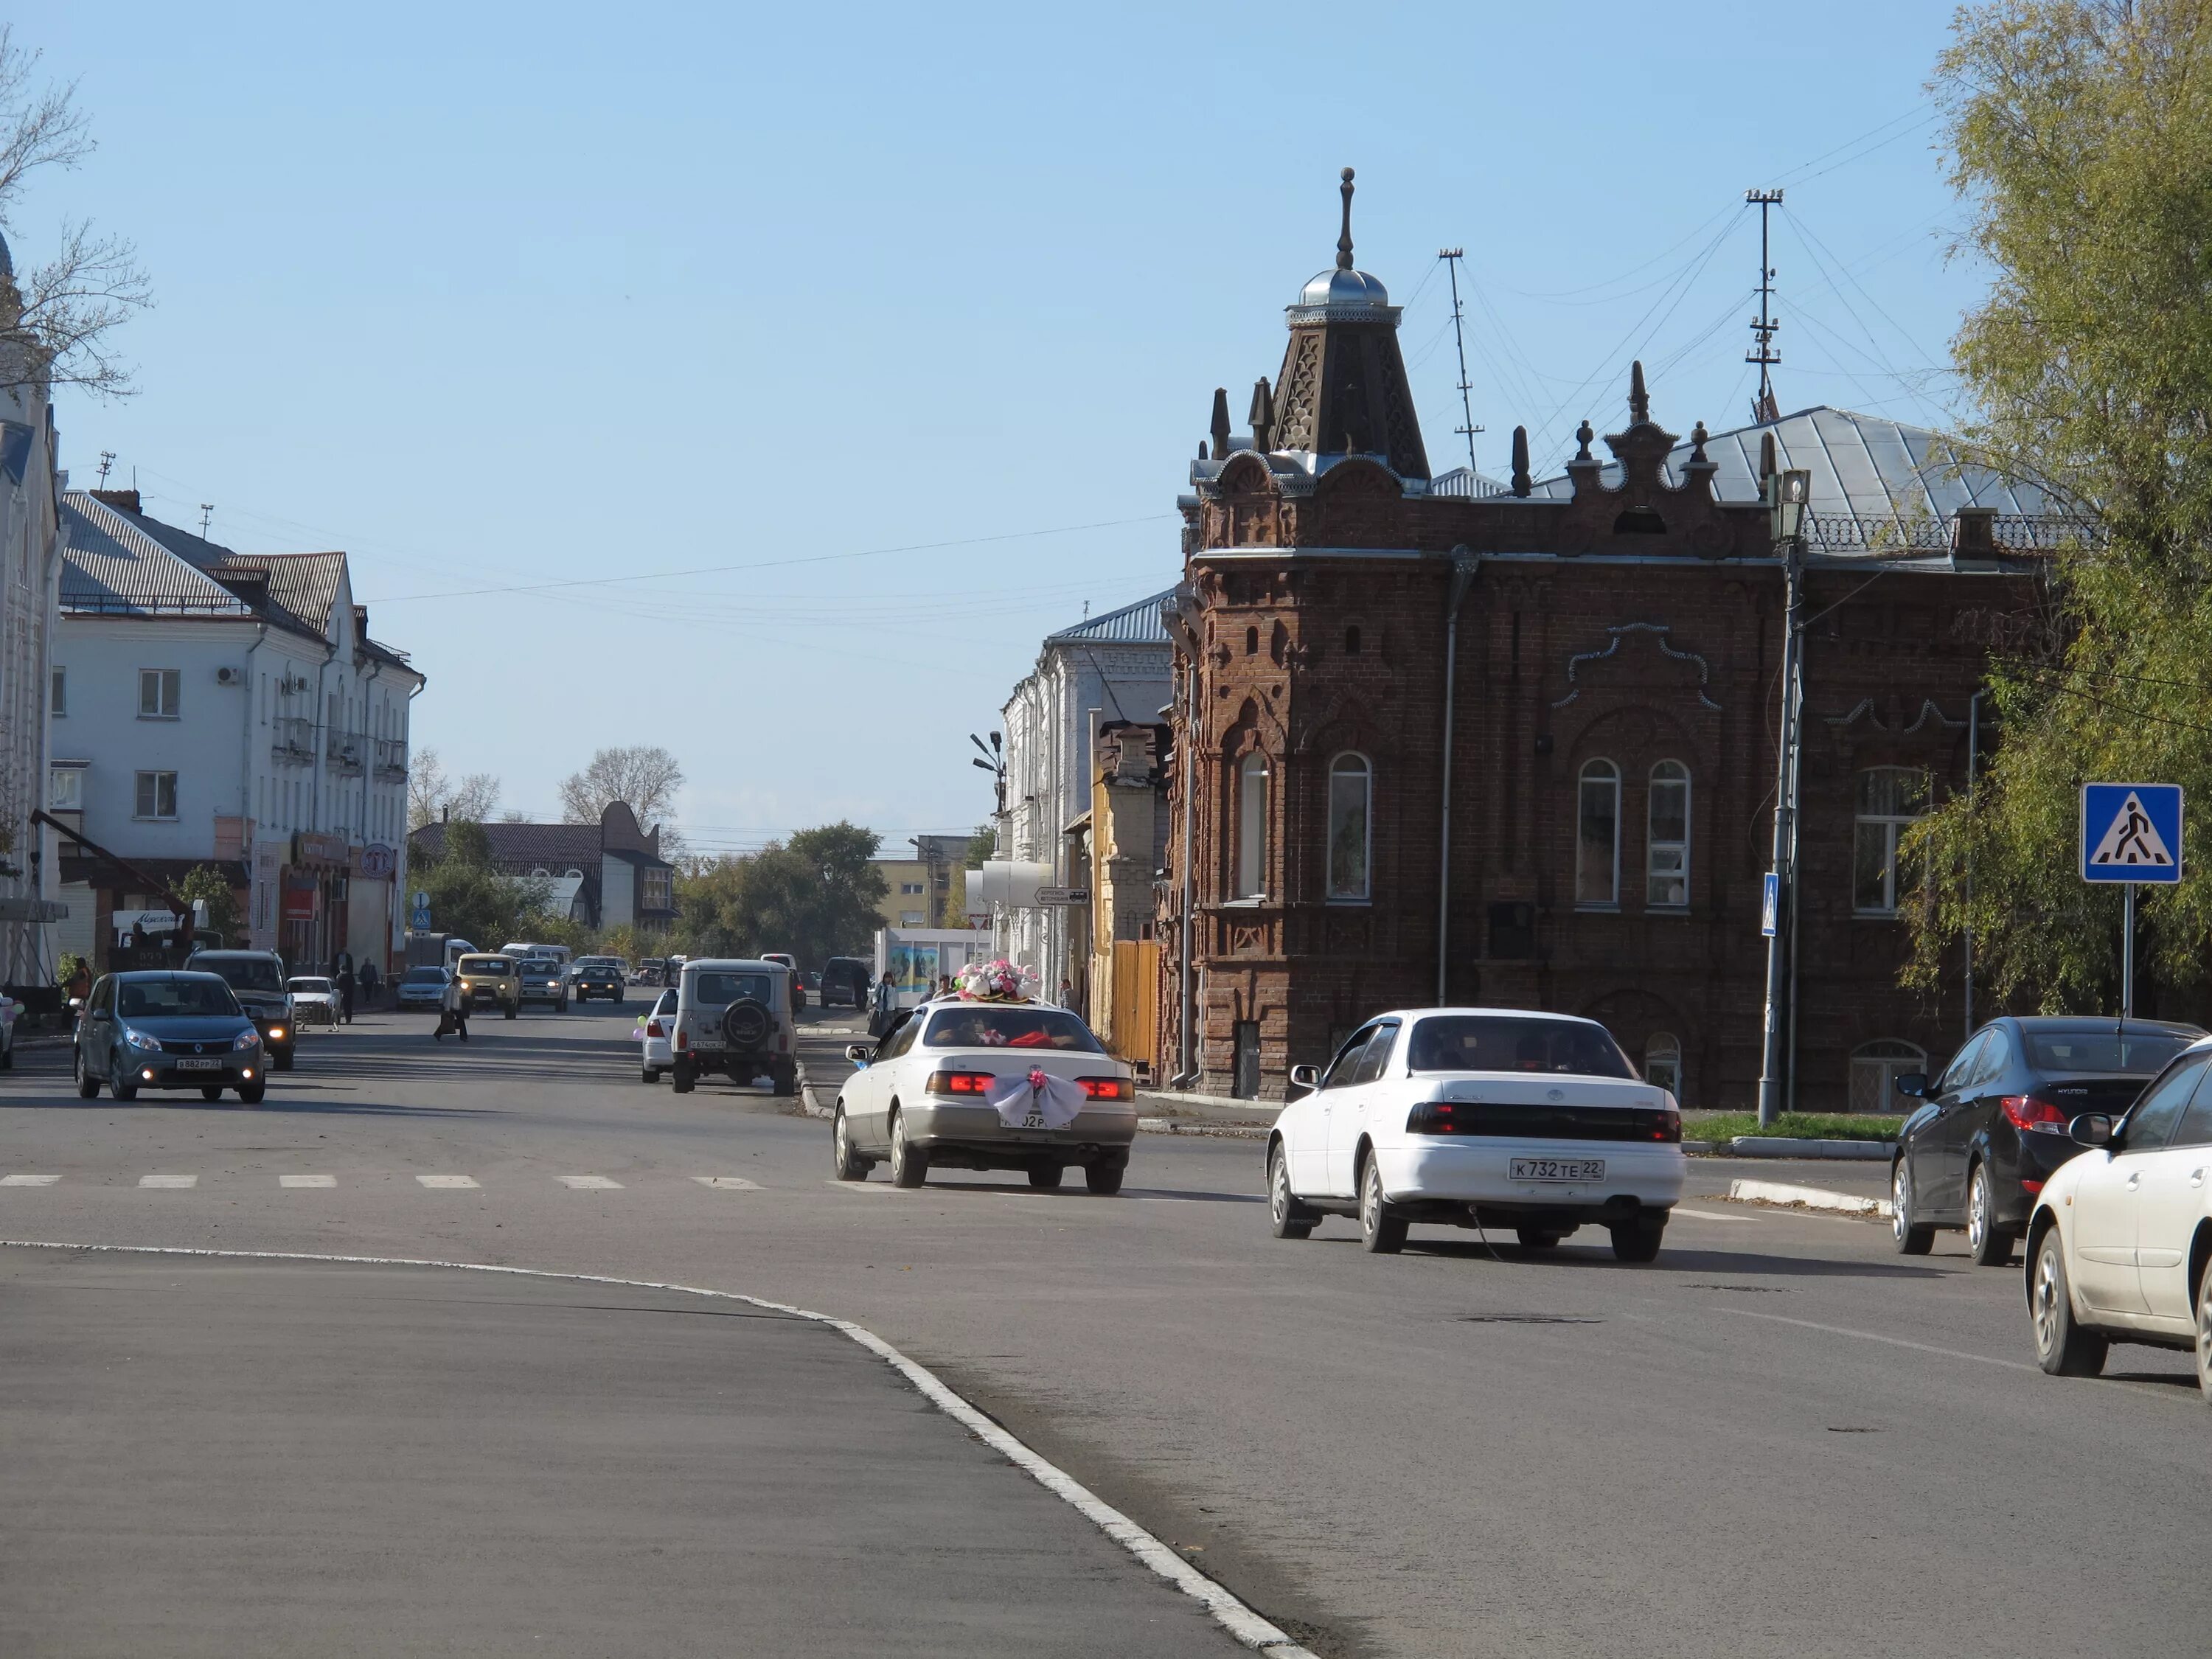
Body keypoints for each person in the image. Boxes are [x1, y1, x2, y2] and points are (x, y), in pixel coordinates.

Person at [436, 969, 469, 1042]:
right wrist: (447, 1010)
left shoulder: (458, 989)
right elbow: (448, 1000)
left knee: (461, 1022)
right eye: (459, 982)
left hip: (457, 1008)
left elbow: (459, 998)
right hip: (451, 1008)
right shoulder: (450, 989)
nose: (460, 983)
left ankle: (464, 1037)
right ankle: (438, 1034)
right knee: (447, 1022)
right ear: (456, 982)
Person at [337, 961, 357, 1026]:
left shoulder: (340, 976)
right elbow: (354, 983)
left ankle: (338, 1019)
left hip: (343, 993)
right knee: (349, 1007)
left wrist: (341, 991)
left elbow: (338, 985)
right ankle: (348, 1020)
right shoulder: (350, 976)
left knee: (341, 1007)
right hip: (350, 993)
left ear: (341, 970)